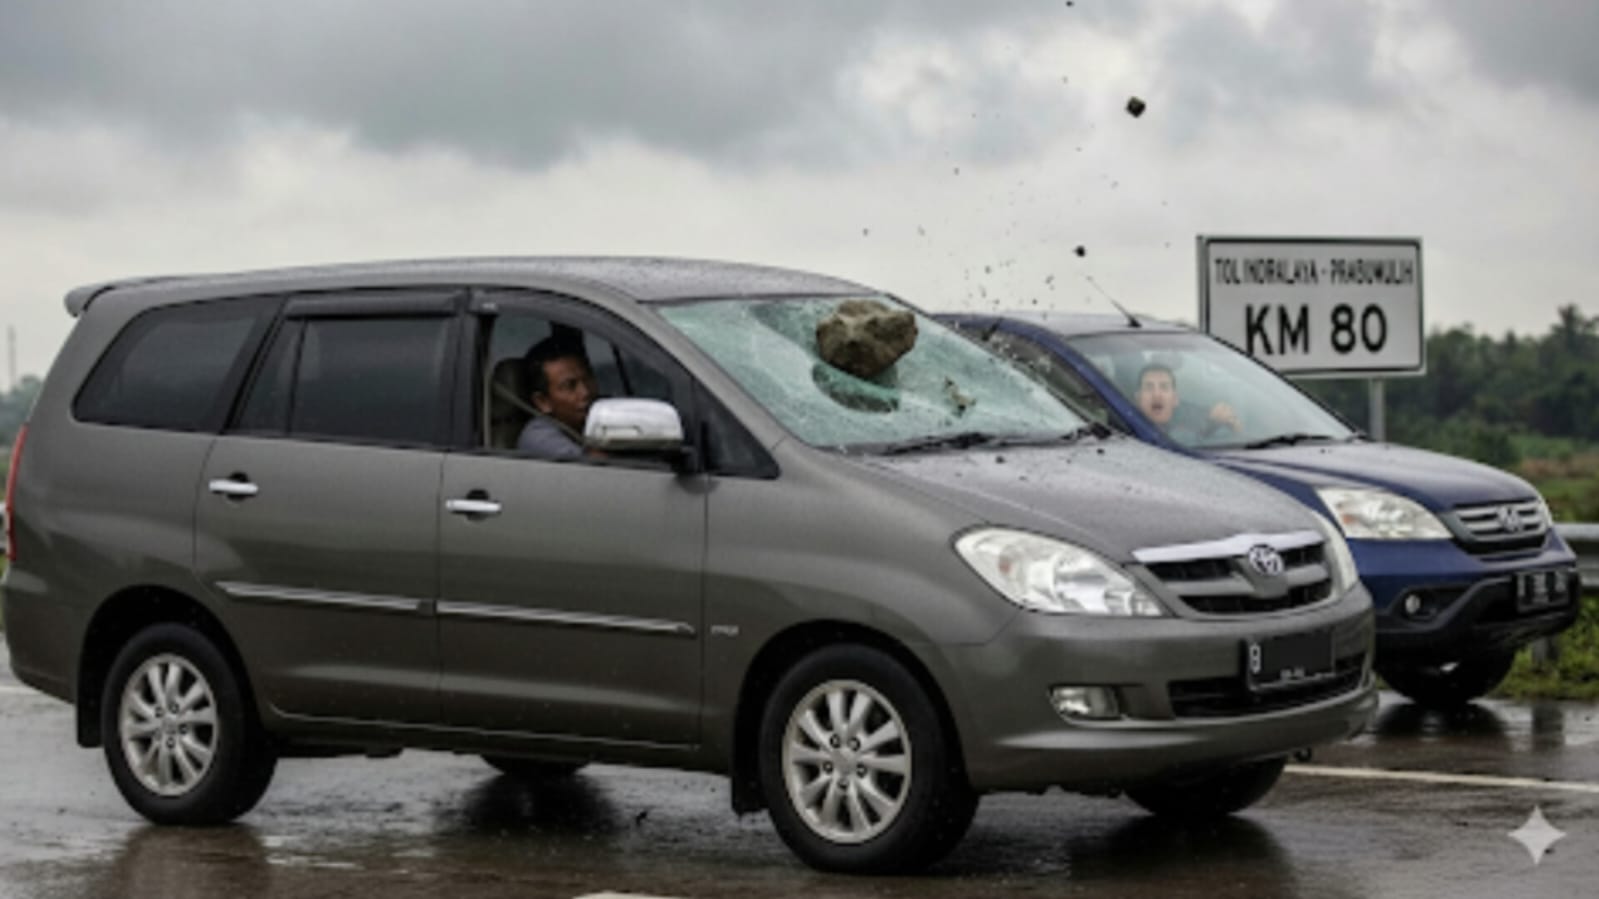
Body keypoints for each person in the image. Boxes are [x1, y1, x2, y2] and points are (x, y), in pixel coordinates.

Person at [517, 336, 598, 459]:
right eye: (570, 386)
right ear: (543, 402)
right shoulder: (539, 439)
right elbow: (598, 468)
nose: (585, 392)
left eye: (588, 379)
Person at [1133, 363, 1240, 444]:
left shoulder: (1197, 421)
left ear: (1175, 399)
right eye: (1149, 387)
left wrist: (1230, 424)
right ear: (1138, 399)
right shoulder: (1126, 433)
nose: (1157, 394)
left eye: (1164, 387)